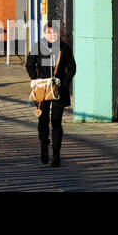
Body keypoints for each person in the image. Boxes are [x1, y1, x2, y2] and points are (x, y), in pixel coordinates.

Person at [26, 22, 76, 167]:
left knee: (56, 122)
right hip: (42, 89)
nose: (52, 36)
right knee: (43, 121)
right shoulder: (37, 47)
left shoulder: (64, 48)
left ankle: (56, 155)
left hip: (59, 90)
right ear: (44, 34)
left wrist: (63, 83)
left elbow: (72, 68)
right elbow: (29, 64)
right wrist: (36, 81)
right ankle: (43, 148)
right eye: (49, 33)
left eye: (55, 33)